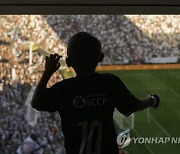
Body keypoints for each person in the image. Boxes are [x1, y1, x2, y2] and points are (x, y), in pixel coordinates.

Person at [31, 32, 160, 154]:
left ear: (68, 63)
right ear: (101, 57)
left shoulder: (63, 89)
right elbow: (131, 106)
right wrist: (151, 101)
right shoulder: (110, 82)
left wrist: (48, 72)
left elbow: (36, 101)